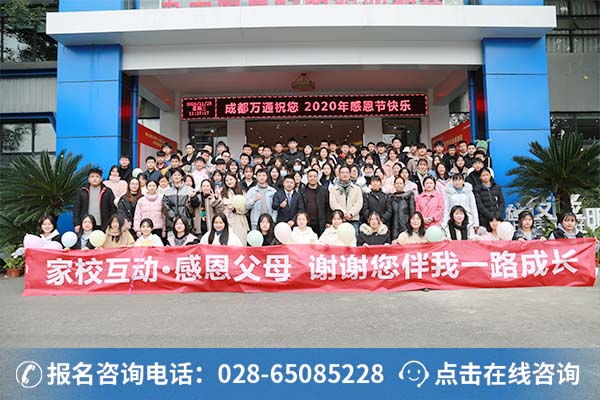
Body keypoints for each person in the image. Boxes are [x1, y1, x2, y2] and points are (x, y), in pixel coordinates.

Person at [73, 167, 116, 232]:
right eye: (92, 176)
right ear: (88, 179)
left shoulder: (107, 191)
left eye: (97, 176)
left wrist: (112, 223)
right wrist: (77, 224)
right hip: (87, 225)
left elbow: (113, 209)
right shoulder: (82, 191)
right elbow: (76, 209)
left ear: (101, 179)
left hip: (104, 225)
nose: (94, 179)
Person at [329, 165, 363, 234]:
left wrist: (351, 213)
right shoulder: (333, 189)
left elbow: (359, 203)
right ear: (339, 174)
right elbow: (333, 204)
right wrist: (344, 213)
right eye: (342, 173)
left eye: (347, 172)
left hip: (353, 219)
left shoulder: (357, 189)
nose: (345, 174)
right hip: (340, 219)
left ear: (350, 174)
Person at [162, 168, 194, 232]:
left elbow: (194, 205)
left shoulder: (189, 190)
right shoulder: (167, 192)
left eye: (178, 175)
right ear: (171, 177)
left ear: (182, 177)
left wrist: (194, 198)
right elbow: (166, 206)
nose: (176, 177)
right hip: (171, 222)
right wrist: (173, 217)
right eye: (174, 175)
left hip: (185, 221)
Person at [300, 169, 331, 235]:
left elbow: (328, 206)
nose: (312, 178)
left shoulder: (324, 191)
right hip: (306, 223)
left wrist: (328, 221)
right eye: (310, 176)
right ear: (307, 178)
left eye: (314, 176)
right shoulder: (302, 191)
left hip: (321, 222)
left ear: (317, 178)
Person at [220, 173, 249, 245]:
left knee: (241, 244)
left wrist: (235, 210)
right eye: (227, 180)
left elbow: (246, 208)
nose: (229, 182)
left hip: (239, 221)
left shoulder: (242, 192)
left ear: (235, 180)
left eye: (231, 179)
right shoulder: (222, 192)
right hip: (227, 221)